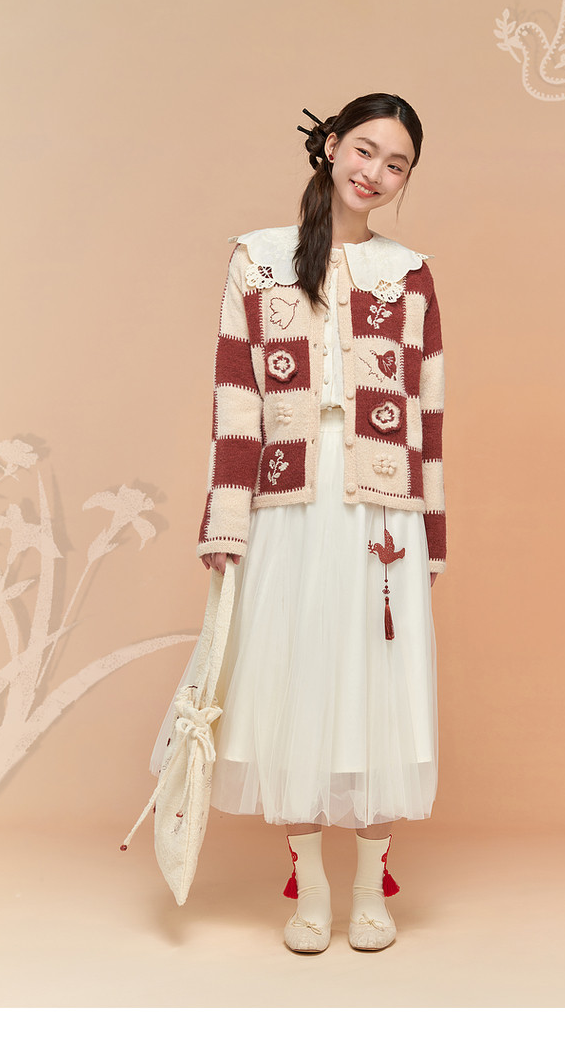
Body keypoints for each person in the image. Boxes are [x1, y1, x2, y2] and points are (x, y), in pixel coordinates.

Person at [195, 92, 446, 953]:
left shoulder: (410, 273)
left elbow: (428, 414)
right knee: (291, 679)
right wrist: (226, 523)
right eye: (366, 151)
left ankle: (371, 888)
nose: (376, 173)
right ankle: (309, 886)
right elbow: (236, 401)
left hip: (384, 503)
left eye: (397, 165)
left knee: (379, 681)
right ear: (332, 146)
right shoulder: (258, 260)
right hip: (288, 497)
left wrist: (433, 535)